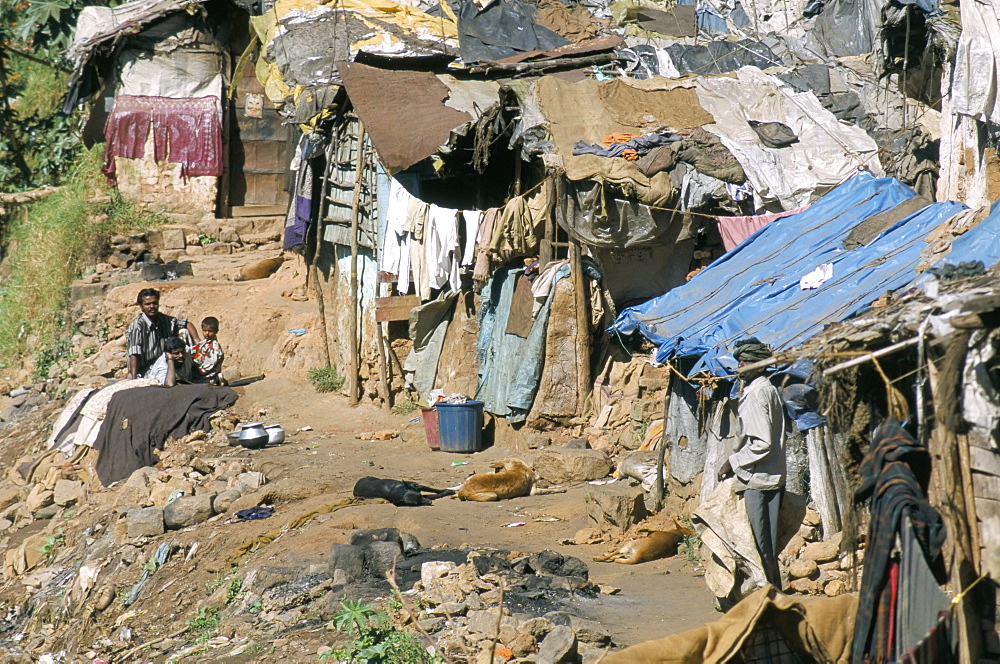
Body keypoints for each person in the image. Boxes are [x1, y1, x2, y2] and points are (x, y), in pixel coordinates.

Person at [717, 337, 786, 589]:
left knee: (755, 546)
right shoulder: (767, 389)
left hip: (758, 479)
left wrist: (732, 462)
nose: (740, 366)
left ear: (759, 365)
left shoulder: (757, 394)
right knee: (765, 546)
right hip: (769, 477)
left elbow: (762, 443)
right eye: (739, 362)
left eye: (745, 362)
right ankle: (773, 593)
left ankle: (765, 597)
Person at [126, 288, 200, 379]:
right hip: (146, 369)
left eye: (154, 303)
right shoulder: (138, 326)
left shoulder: (164, 319)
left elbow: (186, 324)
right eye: (147, 304)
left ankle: (190, 372)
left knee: (184, 335)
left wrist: (197, 341)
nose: (152, 306)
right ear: (141, 307)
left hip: (166, 361)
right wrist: (134, 378)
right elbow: (134, 353)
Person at [191, 316, 225, 384]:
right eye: (204, 330)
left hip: (207, 377)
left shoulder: (215, 347)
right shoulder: (203, 343)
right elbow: (193, 350)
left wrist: (196, 369)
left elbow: (209, 365)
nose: (207, 333)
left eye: (210, 331)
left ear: (216, 331)